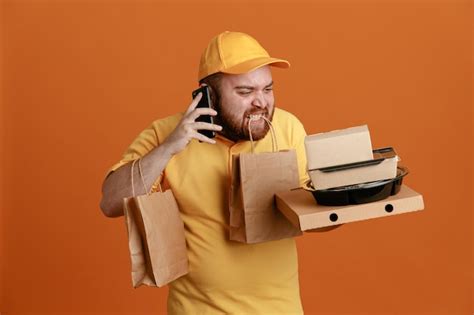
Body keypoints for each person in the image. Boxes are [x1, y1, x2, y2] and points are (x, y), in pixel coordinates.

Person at [100, 31, 335, 315]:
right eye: (245, 92)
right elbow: (111, 202)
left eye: (267, 89)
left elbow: (316, 216)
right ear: (208, 96)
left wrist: (347, 196)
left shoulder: (287, 128)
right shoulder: (165, 134)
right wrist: (170, 147)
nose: (261, 102)